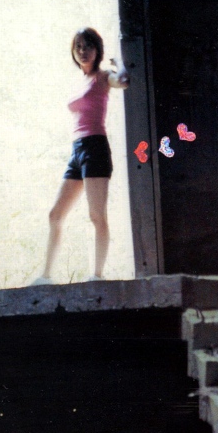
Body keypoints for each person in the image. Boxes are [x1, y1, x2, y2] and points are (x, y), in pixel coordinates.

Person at [32, 27, 129, 285]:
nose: (83, 51)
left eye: (88, 46)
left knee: (97, 215)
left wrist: (118, 63)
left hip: (95, 147)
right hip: (77, 151)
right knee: (55, 215)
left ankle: (97, 276)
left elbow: (124, 81)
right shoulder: (80, 81)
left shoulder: (103, 77)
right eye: (78, 47)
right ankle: (45, 277)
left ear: (97, 50)